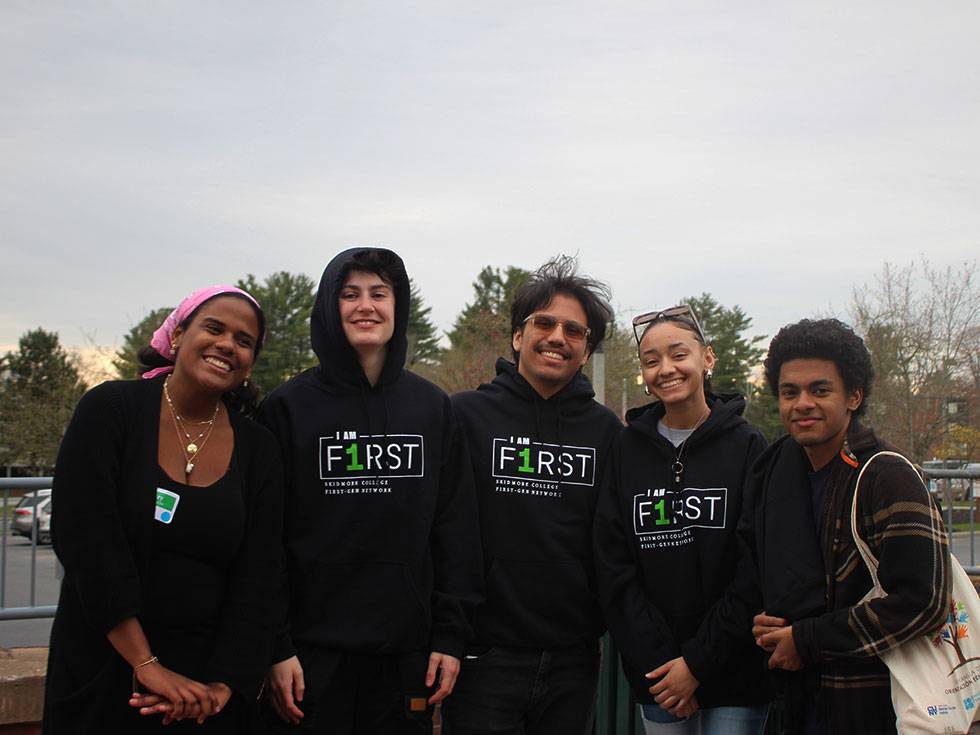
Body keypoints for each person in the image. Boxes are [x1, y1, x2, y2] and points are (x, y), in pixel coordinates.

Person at [259, 247, 482, 734]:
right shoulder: (287, 410)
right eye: (350, 294)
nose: (366, 306)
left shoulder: (432, 409)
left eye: (379, 294)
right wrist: (276, 647)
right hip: (308, 662)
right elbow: (263, 543)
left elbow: (456, 532)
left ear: (397, 306)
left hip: (406, 658)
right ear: (328, 307)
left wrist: (450, 636)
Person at [43, 285, 284, 733]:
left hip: (205, 696)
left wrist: (225, 685)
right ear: (176, 336)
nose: (227, 344)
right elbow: (87, 542)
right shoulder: (110, 410)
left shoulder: (260, 450)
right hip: (105, 673)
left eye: (244, 340)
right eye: (213, 328)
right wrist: (147, 664)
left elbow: (260, 576)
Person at [443, 256, 623, 735]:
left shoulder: (606, 432)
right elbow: (441, 532)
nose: (558, 337)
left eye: (574, 330)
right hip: (484, 657)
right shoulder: (464, 417)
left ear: (586, 351)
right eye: (544, 323)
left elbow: (614, 541)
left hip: (575, 659)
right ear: (518, 336)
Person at [749, 318, 950, 733]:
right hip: (803, 700)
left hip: (876, 705)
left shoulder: (886, 475)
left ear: (853, 396)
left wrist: (806, 639)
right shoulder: (780, 473)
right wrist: (776, 623)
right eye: (790, 392)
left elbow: (923, 601)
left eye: (819, 390)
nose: (802, 403)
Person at [593, 305, 770, 735]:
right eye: (651, 361)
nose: (665, 369)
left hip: (735, 671)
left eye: (678, 354)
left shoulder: (748, 446)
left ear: (707, 358)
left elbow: (756, 566)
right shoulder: (626, 449)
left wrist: (698, 662)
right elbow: (612, 564)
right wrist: (662, 662)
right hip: (659, 676)